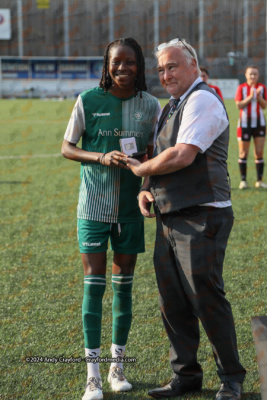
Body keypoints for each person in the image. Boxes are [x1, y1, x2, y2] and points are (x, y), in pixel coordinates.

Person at [116, 38, 246, 399]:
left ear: (193, 65)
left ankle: (231, 378)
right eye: (160, 69)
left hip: (203, 215)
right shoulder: (171, 106)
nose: (165, 74)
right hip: (170, 216)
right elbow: (159, 155)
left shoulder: (202, 99)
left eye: (172, 66)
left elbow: (182, 155)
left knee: (205, 297)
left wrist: (143, 168)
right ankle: (186, 375)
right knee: (172, 300)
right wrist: (145, 185)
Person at [61, 37, 160, 400]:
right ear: (107, 65)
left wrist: (145, 186)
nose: (122, 69)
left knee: (124, 289)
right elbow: (66, 147)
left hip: (130, 210)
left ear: (140, 66)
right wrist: (99, 158)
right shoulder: (88, 100)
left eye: (129, 62)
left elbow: (152, 154)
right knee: (94, 286)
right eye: (116, 63)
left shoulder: (150, 105)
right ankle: (93, 377)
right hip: (93, 208)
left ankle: (117, 368)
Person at [235, 65, 267, 189]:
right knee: (243, 152)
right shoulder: (241, 88)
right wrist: (250, 96)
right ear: (246, 75)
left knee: (259, 152)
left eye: (255, 74)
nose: (253, 76)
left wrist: (258, 96)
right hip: (244, 124)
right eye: (251, 74)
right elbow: (239, 105)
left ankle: (259, 181)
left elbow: (264, 106)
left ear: (258, 75)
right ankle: (243, 181)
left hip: (260, 124)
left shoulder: (262, 88)